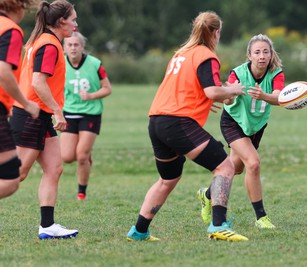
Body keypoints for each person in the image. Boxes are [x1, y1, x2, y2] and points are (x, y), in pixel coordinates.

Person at [126, 11, 249, 242]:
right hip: (177, 122)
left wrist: (204, 101)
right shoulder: (206, 55)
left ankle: (139, 231)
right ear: (216, 32)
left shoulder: (180, 54)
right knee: (225, 167)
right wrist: (233, 90)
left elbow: (187, 88)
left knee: (167, 180)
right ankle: (218, 225)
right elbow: (212, 90)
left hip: (157, 121)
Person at [197, 34, 285, 229]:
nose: (262, 56)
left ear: (271, 55)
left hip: (255, 127)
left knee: (235, 169)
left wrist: (264, 96)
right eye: (257, 52)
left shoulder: (276, 74)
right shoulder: (237, 74)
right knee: (253, 164)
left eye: (265, 52)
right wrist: (230, 94)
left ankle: (208, 195)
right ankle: (261, 217)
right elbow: (227, 99)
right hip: (233, 123)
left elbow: (279, 98)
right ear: (249, 55)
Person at [9, 0, 79, 239]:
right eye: (73, 19)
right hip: (31, 116)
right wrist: (58, 111)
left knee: (54, 168)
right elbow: (39, 82)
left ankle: (47, 226)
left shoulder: (45, 40)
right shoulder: (49, 44)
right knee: (15, 175)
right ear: (61, 21)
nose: (75, 24)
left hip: (40, 116)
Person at [60, 31, 112, 201]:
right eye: (70, 45)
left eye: (76, 44)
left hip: (90, 113)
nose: (73, 48)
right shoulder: (59, 63)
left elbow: (107, 88)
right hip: (69, 112)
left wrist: (91, 96)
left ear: (82, 47)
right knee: (67, 157)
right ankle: (86, 154)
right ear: (64, 48)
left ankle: (81, 193)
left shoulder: (95, 64)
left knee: (81, 156)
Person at [0, 0, 40, 200]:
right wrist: (25, 103)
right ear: (17, 6)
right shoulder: (10, 30)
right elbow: (3, 72)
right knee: (9, 180)